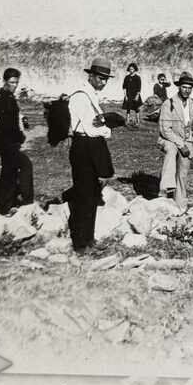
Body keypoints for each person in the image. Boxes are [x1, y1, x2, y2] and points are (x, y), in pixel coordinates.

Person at [66, 58, 115, 253]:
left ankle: (89, 239)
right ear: (91, 76)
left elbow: (97, 125)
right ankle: (80, 244)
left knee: (93, 195)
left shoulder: (91, 95)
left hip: (91, 145)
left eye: (106, 79)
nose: (103, 82)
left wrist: (103, 127)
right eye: (100, 78)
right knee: (84, 195)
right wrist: (108, 129)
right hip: (83, 146)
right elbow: (91, 128)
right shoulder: (81, 96)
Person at [0, 67, 32, 215]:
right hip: (8, 143)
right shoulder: (5, 99)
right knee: (21, 167)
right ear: (5, 81)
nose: (15, 85)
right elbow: (7, 124)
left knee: (10, 173)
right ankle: (26, 203)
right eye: (12, 82)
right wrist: (19, 137)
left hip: (4, 143)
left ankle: (6, 206)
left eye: (16, 82)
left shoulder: (2, 98)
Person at [157, 71, 193, 209]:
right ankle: (165, 191)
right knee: (171, 150)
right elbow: (165, 129)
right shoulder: (168, 103)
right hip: (169, 139)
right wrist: (181, 144)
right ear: (179, 87)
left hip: (187, 140)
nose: (187, 90)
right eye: (184, 87)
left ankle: (180, 205)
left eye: (189, 88)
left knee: (182, 173)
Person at [122, 62, 143, 127]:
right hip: (128, 95)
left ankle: (138, 122)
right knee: (128, 109)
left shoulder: (138, 77)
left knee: (136, 109)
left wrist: (137, 96)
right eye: (130, 69)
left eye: (132, 69)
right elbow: (124, 87)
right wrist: (125, 96)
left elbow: (139, 88)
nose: (131, 70)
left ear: (134, 69)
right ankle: (127, 121)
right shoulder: (127, 77)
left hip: (135, 95)